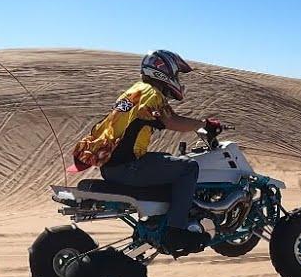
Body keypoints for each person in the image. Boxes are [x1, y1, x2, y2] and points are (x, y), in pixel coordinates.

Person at [68, 50, 220, 252]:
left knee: (167, 159)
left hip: (112, 166)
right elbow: (172, 121)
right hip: (128, 167)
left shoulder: (134, 92)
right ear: (163, 71)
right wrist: (205, 124)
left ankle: (158, 219)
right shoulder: (152, 93)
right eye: (175, 74)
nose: (176, 79)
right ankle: (176, 230)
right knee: (189, 168)